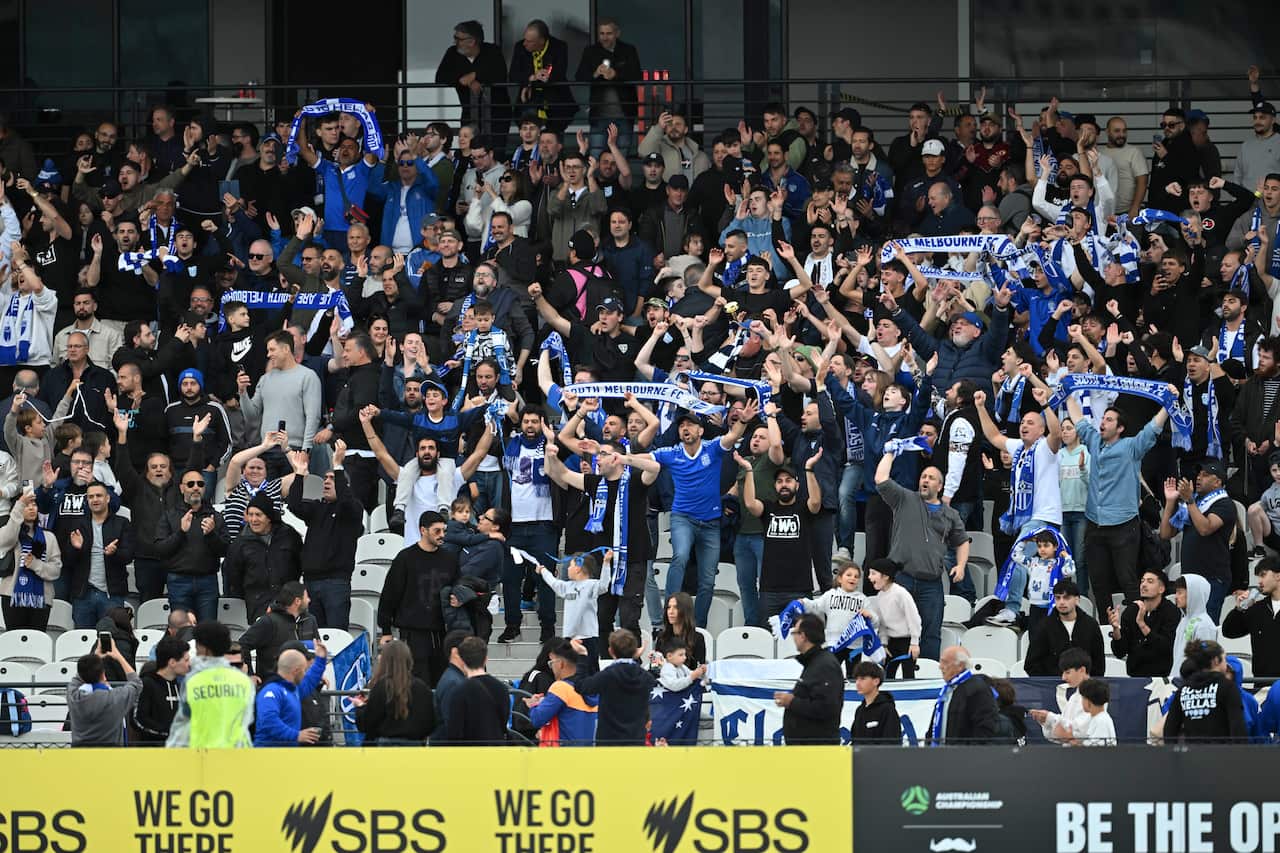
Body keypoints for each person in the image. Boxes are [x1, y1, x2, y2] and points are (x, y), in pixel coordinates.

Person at [637, 400, 757, 626]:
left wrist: (742, 420)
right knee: (680, 557)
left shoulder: (712, 448)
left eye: (690, 425)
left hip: (711, 522)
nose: (685, 428)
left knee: (708, 580)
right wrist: (622, 458)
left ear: (700, 431)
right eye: (682, 425)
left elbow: (732, 437)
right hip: (683, 518)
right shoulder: (672, 452)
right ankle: (669, 619)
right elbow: (647, 458)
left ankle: (697, 626)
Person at [1067, 394, 1171, 612]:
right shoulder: (1094, 441)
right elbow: (1079, 421)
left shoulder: (1131, 447)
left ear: (1120, 428)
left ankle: (1136, 624)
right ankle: (1107, 627)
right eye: (1103, 418)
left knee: (1128, 580)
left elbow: (1152, 429)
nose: (1103, 422)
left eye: (1109, 420)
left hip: (1123, 525)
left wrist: (1167, 404)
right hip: (1095, 523)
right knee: (1099, 583)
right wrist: (1067, 393)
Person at [873, 440, 969, 661]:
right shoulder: (904, 498)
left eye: (931, 478)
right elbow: (880, 479)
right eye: (923, 476)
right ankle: (895, 675)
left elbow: (962, 541)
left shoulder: (950, 514)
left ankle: (928, 674)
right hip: (901, 578)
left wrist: (961, 565)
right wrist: (890, 453)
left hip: (931, 584)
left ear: (940, 486)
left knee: (930, 635)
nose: (925, 480)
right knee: (895, 632)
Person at [736, 450, 825, 621]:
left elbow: (815, 502)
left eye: (788, 480)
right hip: (769, 591)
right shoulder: (768, 508)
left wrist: (809, 469)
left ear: (797, 485)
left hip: (800, 589)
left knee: (800, 636)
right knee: (767, 636)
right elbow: (750, 503)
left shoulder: (804, 509)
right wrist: (748, 470)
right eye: (779, 481)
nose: (784, 485)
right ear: (775, 486)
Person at [285, 447, 364, 629]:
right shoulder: (317, 508)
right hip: (310, 583)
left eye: (332, 478)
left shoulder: (352, 510)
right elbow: (294, 504)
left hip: (336, 583)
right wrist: (299, 474)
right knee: (313, 636)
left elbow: (346, 500)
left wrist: (338, 466)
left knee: (336, 635)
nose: (326, 481)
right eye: (325, 478)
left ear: (344, 485)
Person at [378, 510, 460, 685]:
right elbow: (390, 594)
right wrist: (385, 630)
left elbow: (458, 586)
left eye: (444, 530)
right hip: (413, 633)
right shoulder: (405, 558)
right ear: (423, 530)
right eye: (437, 531)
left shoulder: (450, 559)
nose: (442, 535)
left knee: (441, 683)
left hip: (442, 632)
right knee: (416, 684)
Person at [1159, 463, 1240, 624]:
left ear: (1217, 482)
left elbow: (1205, 528)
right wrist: (1170, 501)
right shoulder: (1193, 504)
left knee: (1205, 625)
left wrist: (1190, 501)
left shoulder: (1224, 504)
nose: (1198, 477)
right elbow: (1166, 533)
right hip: (1189, 578)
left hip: (1212, 577)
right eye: (1199, 474)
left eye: (1205, 475)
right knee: (1188, 626)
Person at [166, 622, 255, 748]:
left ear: (203, 648)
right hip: (238, 749)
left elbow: (183, 722)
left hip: (203, 751)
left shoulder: (194, 680)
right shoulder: (244, 681)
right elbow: (248, 718)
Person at [222, 490, 303, 623]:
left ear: (269, 517)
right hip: (257, 606)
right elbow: (233, 575)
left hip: (287, 603)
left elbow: (299, 565)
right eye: (250, 515)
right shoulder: (240, 543)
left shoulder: (289, 536)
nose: (253, 520)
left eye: (258, 515)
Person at [64, 480, 133, 628]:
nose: (95, 499)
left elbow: (128, 556)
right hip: (83, 594)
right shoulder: (77, 524)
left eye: (99, 496)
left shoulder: (121, 523)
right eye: (91, 497)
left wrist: (114, 553)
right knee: (83, 639)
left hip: (112, 594)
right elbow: (68, 560)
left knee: (112, 636)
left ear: (107, 498)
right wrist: (76, 548)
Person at [573, 629, 655, 746]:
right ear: (634, 650)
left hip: (609, 742)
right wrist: (634, 657)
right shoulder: (646, 677)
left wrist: (582, 655)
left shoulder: (607, 675)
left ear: (610, 651)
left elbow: (581, 686)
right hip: (636, 741)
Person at [774, 613, 843, 745]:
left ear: (803, 636)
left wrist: (792, 702)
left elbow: (826, 707)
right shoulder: (815, 663)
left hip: (817, 748)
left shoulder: (824, 665)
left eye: (794, 633)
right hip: (808, 746)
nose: (793, 637)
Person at [535, 551, 612, 666]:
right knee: (571, 669)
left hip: (588, 637)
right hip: (569, 638)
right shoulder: (567, 587)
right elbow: (554, 583)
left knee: (590, 668)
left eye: (570, 565)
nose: (568, 568)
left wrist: (606, 563)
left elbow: (604, 585)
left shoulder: (591, 585)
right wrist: (543, 571)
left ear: (578, 568)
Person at [353, 639, 436, 746]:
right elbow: (430, 723)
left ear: (385, 661)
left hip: (383, 748)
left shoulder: (381, 687)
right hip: (415, 748)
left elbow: (367, 724)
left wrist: (361, 707)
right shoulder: (422, 688)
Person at [1163, 639, 1248, 742]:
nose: (1226, 663)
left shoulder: (1183, 690)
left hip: (1191, 751)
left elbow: (1169, 731)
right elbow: (1238, 730)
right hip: (1222, 751)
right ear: (1216, 661)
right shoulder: (1227, 687)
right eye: (1224, 659)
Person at [0, 491, 61, 630]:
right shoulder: (11, 534)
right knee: (14, 640)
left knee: (38, 640)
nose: (31, 508)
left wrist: (35, 564)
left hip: (41, 599)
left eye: (34, 505)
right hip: (12, 597)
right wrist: (19, 504)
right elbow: (6, 539)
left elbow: (56, 570)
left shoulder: (49, 537)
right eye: (27, 505)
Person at [253, 638, 329, 747]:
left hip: (286, 753)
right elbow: (268, 720)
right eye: (304, 670)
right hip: (269, 754)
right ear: (296, 671)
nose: (305, 674)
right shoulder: (271, 691)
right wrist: (296, 735)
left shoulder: (293, 690)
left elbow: (310, 680)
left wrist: (321, 659)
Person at [237, 581, 318, 680]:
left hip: (304, 682)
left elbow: (315, 651)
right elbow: (242, 645)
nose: (309, 600)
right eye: (306, 597)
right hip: (273, 681)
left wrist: (317, 675)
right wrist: (249, 675)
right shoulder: (269, 622)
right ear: (297, 601)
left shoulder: (310, 620)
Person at [524, 638, 598, 746]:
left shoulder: (560, 688)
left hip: (562, 752)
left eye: (551, 663)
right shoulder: (592, 689)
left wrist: (533, 705)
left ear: (561, 664)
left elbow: (538, 719)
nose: (551, 667)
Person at [1024, 579, 1105, 676]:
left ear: (1077, 600)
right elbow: (1031, 664)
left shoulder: (1091, 625)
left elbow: (1099, 664)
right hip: (1051, 684)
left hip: (1085, 683)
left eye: (1066, 598)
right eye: (1058, 598)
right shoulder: (1044, 626)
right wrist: (1049, 682)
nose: (1061, 602)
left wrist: (1087, 681)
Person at [67, 641, 141, 746]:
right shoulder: (115, 697)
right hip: (110, 753)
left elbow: (76, 679)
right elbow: (136, 683)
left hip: (80, 753)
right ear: (103, 675)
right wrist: (118, 656)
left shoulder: (74, 697)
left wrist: (95, 656)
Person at [1108, 569, 1180, 677]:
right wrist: (1116, 630)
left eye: (1150, 581)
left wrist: (1142, 625)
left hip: (1163, 677)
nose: (1143, 585)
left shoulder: (1171, 611)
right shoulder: (1131, 611)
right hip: (1135, 677)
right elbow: (1120, 652)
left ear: (1161, 589)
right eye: (1142, 581)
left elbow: (1166, 647)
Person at [927, 646, 999, 745]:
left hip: (963, 753)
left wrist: (965, 751)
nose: (940, 667)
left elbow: (984, 729)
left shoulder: (978, 690)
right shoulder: (948, 689)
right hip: (941, 751)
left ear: (960, 666)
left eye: (945, 662)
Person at [445, 636, 509, 745]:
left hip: (470, 751)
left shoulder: (459, 691)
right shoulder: (501, 688)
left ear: (462, 660)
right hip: (496, 748)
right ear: (485, 659)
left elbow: (455, 732)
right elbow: (503, 721)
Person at [1222, 556, 1280, 678]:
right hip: (1261, 681)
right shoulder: (1257, 609)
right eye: (1258, 577)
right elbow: (1229, 631)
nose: (1259, 581)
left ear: (1278, 576)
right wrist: (1239, 609)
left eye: (1263, 575)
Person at [867, 559, 921, 679]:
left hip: (907, 641)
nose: (869, 577)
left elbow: (913, 618)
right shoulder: (880, 596)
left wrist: (914, 642)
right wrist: (884, 643)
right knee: (887, 673)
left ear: (885, 576)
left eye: (873, 573)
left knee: (908, 675)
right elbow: (882, 624)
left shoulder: (900, 593)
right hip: (892, 641)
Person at [131, 636, 190, 744]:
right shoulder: (146, 685)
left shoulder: (182, 686)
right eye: (186, 660)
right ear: (172, 662)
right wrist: (169, 733)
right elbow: (138, 720)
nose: (189, 664)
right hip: (153, 749)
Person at [1028, 647, 1094, 743]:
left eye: (1068, 672)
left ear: (1082, 670)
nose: (1063, 677)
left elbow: (1079, 731)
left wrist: (1050, 718)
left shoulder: (1095, 696)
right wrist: (1046, 722)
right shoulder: (1073, 698)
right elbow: (1061, 735)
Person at [1170, 574, 1219, 678]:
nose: (1176, 596)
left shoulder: (1204, 624)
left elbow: (1205, 661)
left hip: (1192, 681)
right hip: (1177, 679)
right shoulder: (1184, 620)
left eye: (1180, 592)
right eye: (1176, 592)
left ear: (1194, 594)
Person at [653, 592, 707, 670]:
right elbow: (656, 668)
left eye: (676, 607)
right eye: (669, 607)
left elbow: (698, 669)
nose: (671, 612)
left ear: (685, 610)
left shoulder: (697, 638)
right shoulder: (662, 637)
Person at [851, 661, 901, 743]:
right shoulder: (859, 710)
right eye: (856, 679)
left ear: (876, 681)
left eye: (862, 679)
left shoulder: (888, 710)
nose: (858, 683)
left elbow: (891, 743)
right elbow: (854, 740)